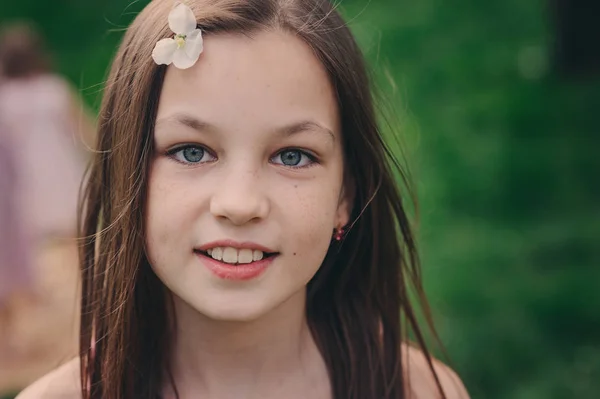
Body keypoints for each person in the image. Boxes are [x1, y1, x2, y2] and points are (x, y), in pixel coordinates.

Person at [17, 1, 470, 398]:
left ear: (344, 196)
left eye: (292, 156)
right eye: (191, 151)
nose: (239, 203)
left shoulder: (421, 391)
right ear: (126, 177)